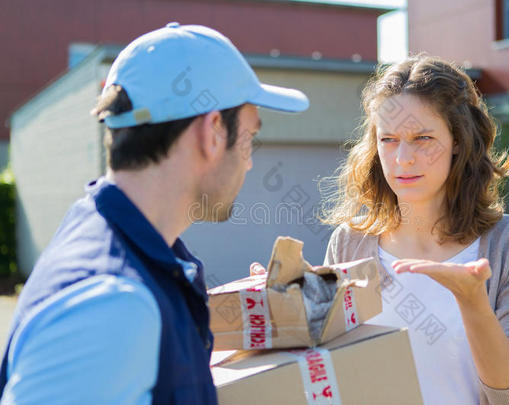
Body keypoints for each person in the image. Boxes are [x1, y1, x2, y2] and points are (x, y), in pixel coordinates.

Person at [0, 23, 308, 404]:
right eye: (249, 138)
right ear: (213, 131)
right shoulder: (110, 305)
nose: (248, 163)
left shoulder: (130, 251)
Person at [321, 54, 509, 405]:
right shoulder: (349, 245)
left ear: (458, 140)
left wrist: (473, 301)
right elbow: (329, 374)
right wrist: (284, 305)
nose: (403, 159)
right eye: (389, 139)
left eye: (423, 137)